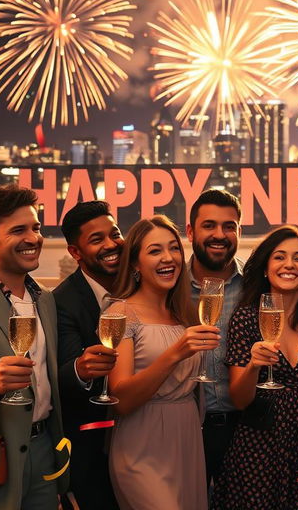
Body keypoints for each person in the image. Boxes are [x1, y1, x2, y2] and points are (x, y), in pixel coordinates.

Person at [211, 226, 298, 510]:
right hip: (259, 449)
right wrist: (252, 367)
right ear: (265, 268)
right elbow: (240, 398)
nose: (289, 265)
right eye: (279, 257)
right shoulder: (246, 318)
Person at [108, 215, 218, 510]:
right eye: (155, 251)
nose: (169, 258)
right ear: (134, 264)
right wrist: (173, 354)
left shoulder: (186, 313)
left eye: (174, 248)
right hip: (140, 443)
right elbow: (121, 399)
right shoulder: (120, 312)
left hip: (186, 435)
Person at [0, 184, 67, 510]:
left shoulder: (45, 299)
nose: (33, 238)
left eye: (36, 227)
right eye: (18, 230)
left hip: (45, 454)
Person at [54, 201, 124, 509]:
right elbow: (65, 376)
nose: (111, 245)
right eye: (97, 240)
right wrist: (82, 370)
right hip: (94, 450)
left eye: (115, 233)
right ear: (75, 252)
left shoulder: (143, 282)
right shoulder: (62, 301)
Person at [186, 188, 244, 488]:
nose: (219, 234)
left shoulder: (257, 287)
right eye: (209, 225)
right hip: (184, 429)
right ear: (190, 231)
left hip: (245, 428)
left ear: (239, 231)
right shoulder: (169, 287)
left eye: (228, 226)